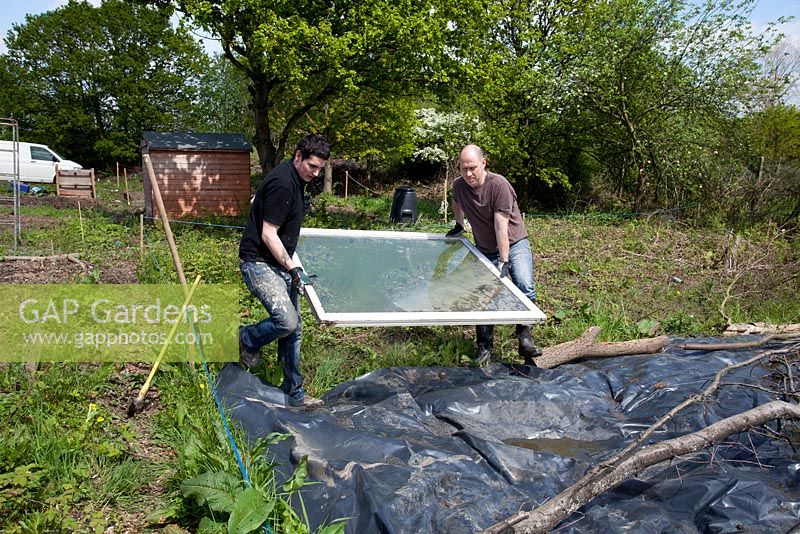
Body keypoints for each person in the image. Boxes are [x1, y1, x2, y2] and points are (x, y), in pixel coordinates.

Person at [238, 133, 330, 408]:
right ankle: (244, 338)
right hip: (259, 263)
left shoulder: (294, 179)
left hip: (278, 262)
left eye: (320, 169)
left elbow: (259, 206)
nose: (315, 173)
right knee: (286, 321)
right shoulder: (282, 183)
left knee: (295, 329)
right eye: (311, 166)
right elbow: (268, 233)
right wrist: (293, 267)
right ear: (297, 156)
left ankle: (295, 392)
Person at [446, 144, 542, 365]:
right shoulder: (459, 185)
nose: (468, 173)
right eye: (463, 168)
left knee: (524, 284)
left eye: (472, 168)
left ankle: (525, 339)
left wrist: (504, 261)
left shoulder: (499, 185)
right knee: (484, 294)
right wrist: (459, 225)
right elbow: (456, 201)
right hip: (484, 247)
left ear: (483, 163)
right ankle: (485, 348)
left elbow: (501, 227)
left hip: (514, 243)